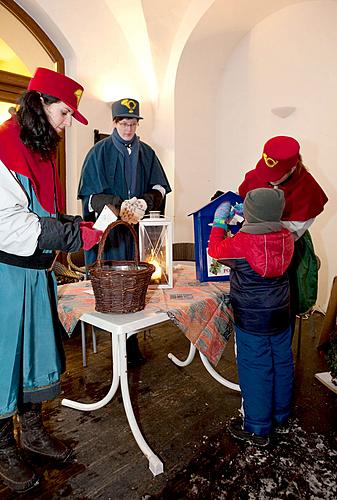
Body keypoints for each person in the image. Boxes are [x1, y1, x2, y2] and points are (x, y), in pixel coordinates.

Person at [0, 67, 102, 493]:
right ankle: (3, 445)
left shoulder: (39, 150)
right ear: (39, 104)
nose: (65, 124)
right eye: (63, 114)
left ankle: (34, 430)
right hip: (7, 274)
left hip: (38, 274)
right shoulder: (5, 146)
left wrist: (76, 223)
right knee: (5, 361)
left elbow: (42, 213)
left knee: (36, 356)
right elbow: (10, 224)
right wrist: (74, 234)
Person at [78, 98, 171, 365]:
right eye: (124, 123)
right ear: (115, 122)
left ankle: (132, 339)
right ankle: (119, 342)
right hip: (111, 235)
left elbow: (160, 188)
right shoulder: (98, 153)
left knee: (137, 286)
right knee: (113, 289)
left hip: (138, 235)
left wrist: (145, 201)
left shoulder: (148, 153)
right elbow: (89, 197)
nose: (129, 128)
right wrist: (118, 207)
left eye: (133, 123)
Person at [208, 188, 295, 446]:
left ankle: (258, 428)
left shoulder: (241, 243)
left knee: (255, 367)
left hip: (251, 318)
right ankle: (280, 415)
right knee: (281, 362)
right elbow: (266, 231)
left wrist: (221, 220)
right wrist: (253, 218)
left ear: (251, 213)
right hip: (281, 314)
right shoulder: (287, 237)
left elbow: (215, 249)